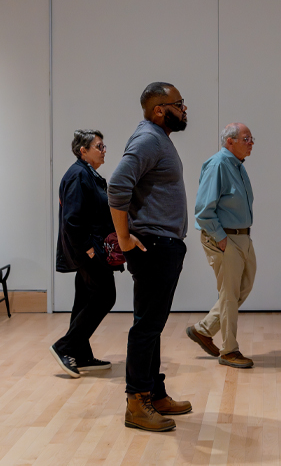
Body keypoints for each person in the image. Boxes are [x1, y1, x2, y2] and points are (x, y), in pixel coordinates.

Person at [108, 82, 192, 432]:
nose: (185, 110)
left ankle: (154, 394)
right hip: (154, 247)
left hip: (164, 245)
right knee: (146, 327)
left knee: (152, 325)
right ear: (159, 109)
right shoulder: (148, 139)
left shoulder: (157, 138)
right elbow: (117, 185)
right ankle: (137, 402)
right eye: (179, 104)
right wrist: (124, 236)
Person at [186, 123, 257, 369]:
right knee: (229, 295)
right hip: (225, 238)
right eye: (246, 138)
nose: (251, 143)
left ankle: (203, 329)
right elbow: (203, 210)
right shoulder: (218, 165)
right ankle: (229, 351)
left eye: (251, 138)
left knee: (243, 287)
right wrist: (221, 238)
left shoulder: (237, 166)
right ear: (230, 141)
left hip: (242, 237)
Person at [51, 129, 119, 378]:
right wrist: (89, 249)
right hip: (87, 251)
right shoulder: (78, 175)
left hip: (90, 249)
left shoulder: (88, 174)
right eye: (99, 146)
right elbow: (72, 219)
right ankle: (64, 347)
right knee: (105, 296)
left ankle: (80, 354)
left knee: (84, 300)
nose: (103, 150)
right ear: (83, 150)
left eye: (103, 146)